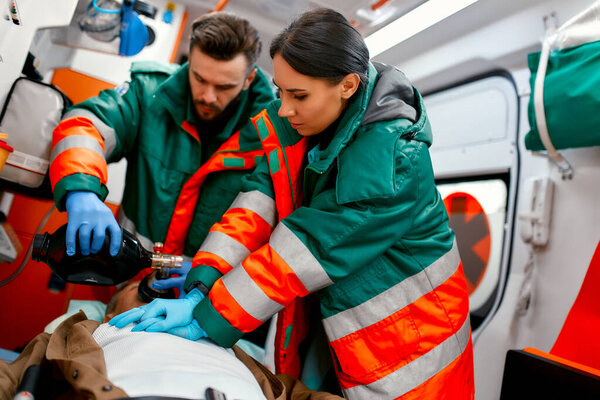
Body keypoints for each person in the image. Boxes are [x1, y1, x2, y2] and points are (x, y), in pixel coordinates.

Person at [111, 8, 475, 400]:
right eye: (281, 91)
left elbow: (302, 251)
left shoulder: (393, 161)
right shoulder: (298, 127)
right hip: (338, 321)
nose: (283, 108)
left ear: (348, 86)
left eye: (298, 96)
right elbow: (250, 211)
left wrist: (207, 317)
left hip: (408, 348)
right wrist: (202, 285)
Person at [48, 12, 275, 270]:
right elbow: (86, 123)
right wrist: (82, 190)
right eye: (199, 78)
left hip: (202, 296)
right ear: (189, 62)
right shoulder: (148, 93)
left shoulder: (273, 135)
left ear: (248, 80)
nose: (208, 96)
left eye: (224, 86)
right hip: (125, 275)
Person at [0, 281, 343, 400]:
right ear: (109, 313)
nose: (161, 300)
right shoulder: (89, 331)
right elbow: (15, 376)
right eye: (142, 291)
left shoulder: (230, 347)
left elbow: (302, 395)